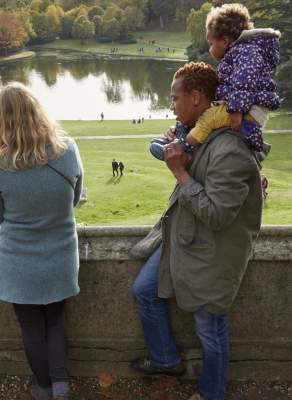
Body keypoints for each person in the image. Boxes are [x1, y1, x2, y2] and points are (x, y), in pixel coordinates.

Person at [130, 62, 262, 400]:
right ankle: (166, 359)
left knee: (210, 329)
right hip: (184, 238)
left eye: (175, 98)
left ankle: (211, 393)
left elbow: (218, 215)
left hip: (213, 253)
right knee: (145, 290)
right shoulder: (199, 135)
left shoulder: (230, 149)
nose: (171, 104)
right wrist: (178, 149)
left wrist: (180, 173)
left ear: (197, 97)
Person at [0, 83, 83, 400]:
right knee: (55, 321)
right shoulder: (68, 150)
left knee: (31, 328)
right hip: (61, 256)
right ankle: (62, 386)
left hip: (18, 261)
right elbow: (76, 198)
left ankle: (42, 388)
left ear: (4, 120)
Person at [150, 4, 280, 160]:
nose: (210, 50)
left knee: (208, 119)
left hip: (249, 109)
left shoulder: (247, 52)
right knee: (203, 112)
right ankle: (175, 137)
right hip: (237, 103)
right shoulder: (238, 53)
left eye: (211, 44)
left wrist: (236, 111)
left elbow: (243, 83)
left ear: (225, 41)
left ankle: (184, 148)